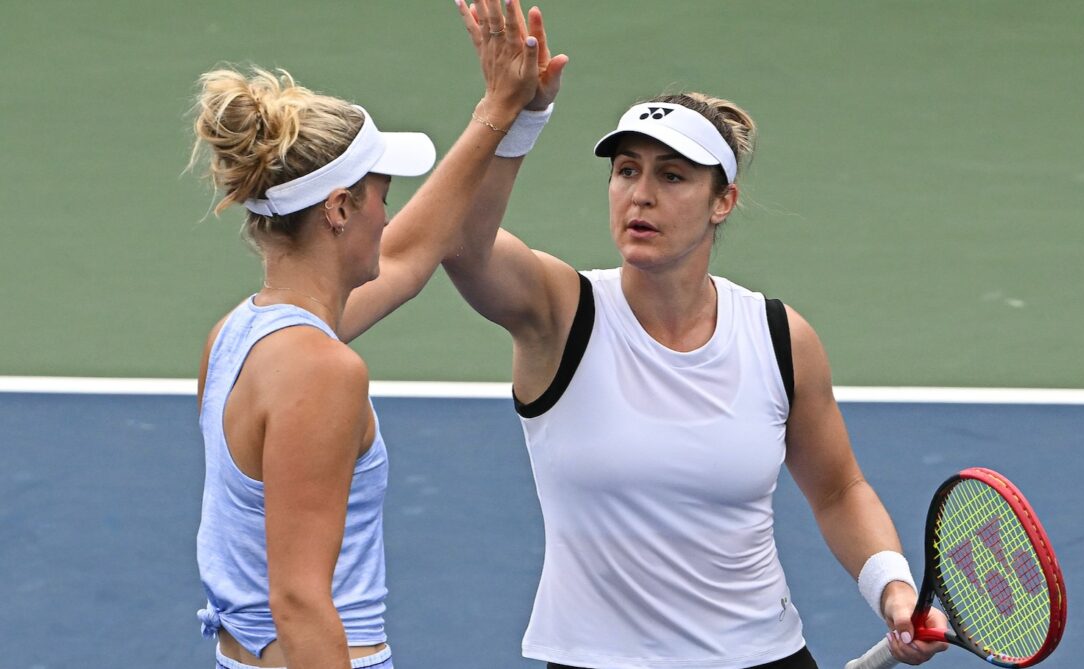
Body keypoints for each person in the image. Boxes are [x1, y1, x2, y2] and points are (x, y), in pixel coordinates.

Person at [436, 9, 950, 666]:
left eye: (672, 176)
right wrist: (516, 117)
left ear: (722, 201)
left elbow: (838, 489)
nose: (640, 196)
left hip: (763, 655)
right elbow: (464, 247)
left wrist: (894, 590)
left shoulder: (777, 337)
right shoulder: (562, 313)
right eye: (627, 170)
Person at [188, 2, 551, 666]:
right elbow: (299, 600)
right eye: (383, 194)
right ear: (339, 209)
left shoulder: (241, 336)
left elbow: (414, 255)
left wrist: (509, 113)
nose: (389, 216)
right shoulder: (321, 370)